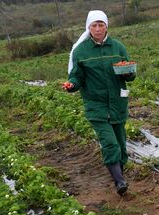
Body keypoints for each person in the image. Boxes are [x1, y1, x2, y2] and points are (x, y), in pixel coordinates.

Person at [63, 10, 136, 195]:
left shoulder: (118, 47)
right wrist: (72, 85)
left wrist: (129, 72)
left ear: (106, 27)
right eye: (94, 25)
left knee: (121, 144)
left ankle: (120, 174)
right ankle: (119, 181)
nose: (97, 28)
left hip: (118, 103)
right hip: (96, 105)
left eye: (101, 25)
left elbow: (129, 72)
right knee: (110, 143)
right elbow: (77, 76)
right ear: (89, 27)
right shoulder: (81, 51)